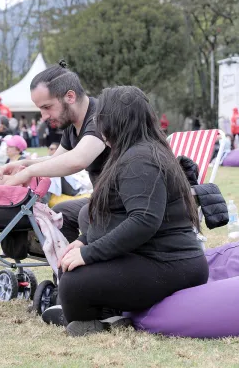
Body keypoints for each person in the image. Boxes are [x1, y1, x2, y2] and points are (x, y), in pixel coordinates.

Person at [42, 86, 208, 337]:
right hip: (151, 257)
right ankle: (103, 312)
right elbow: (116, 212)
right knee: (71, 272)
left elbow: (143, 221)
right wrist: (83, 240)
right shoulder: (134, 152)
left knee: (75, 283)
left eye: (101, 119)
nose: (97, 125)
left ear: (116, 121)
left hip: (171, 263)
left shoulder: (140, 160)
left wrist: (90, 253)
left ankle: (95, 318)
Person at [0, 60, 110, 243]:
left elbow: (79, 160)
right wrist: (21, 163)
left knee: (86, 214)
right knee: (61, 213)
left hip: (127, 205)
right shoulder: (73, 124)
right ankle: (61, 269)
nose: (43, 117)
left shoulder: (101, 116)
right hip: (102, 200)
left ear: (70, 96)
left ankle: (82, 266)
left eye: (46, 107)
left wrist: (28, 172)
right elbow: (56, 159)